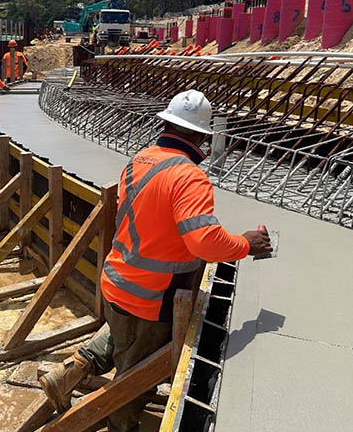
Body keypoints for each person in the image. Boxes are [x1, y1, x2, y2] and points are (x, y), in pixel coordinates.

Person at [39, 90, 272, 432]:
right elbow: (205, 242)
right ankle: (121, 425)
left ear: (167, 124)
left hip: (118, 281)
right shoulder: (189, 177)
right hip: (151, 298)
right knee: (135, 378)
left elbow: (158, 223)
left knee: (125, 339)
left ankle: (67, 375)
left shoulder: (141, 159)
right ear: (200, 136)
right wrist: (245, 244)